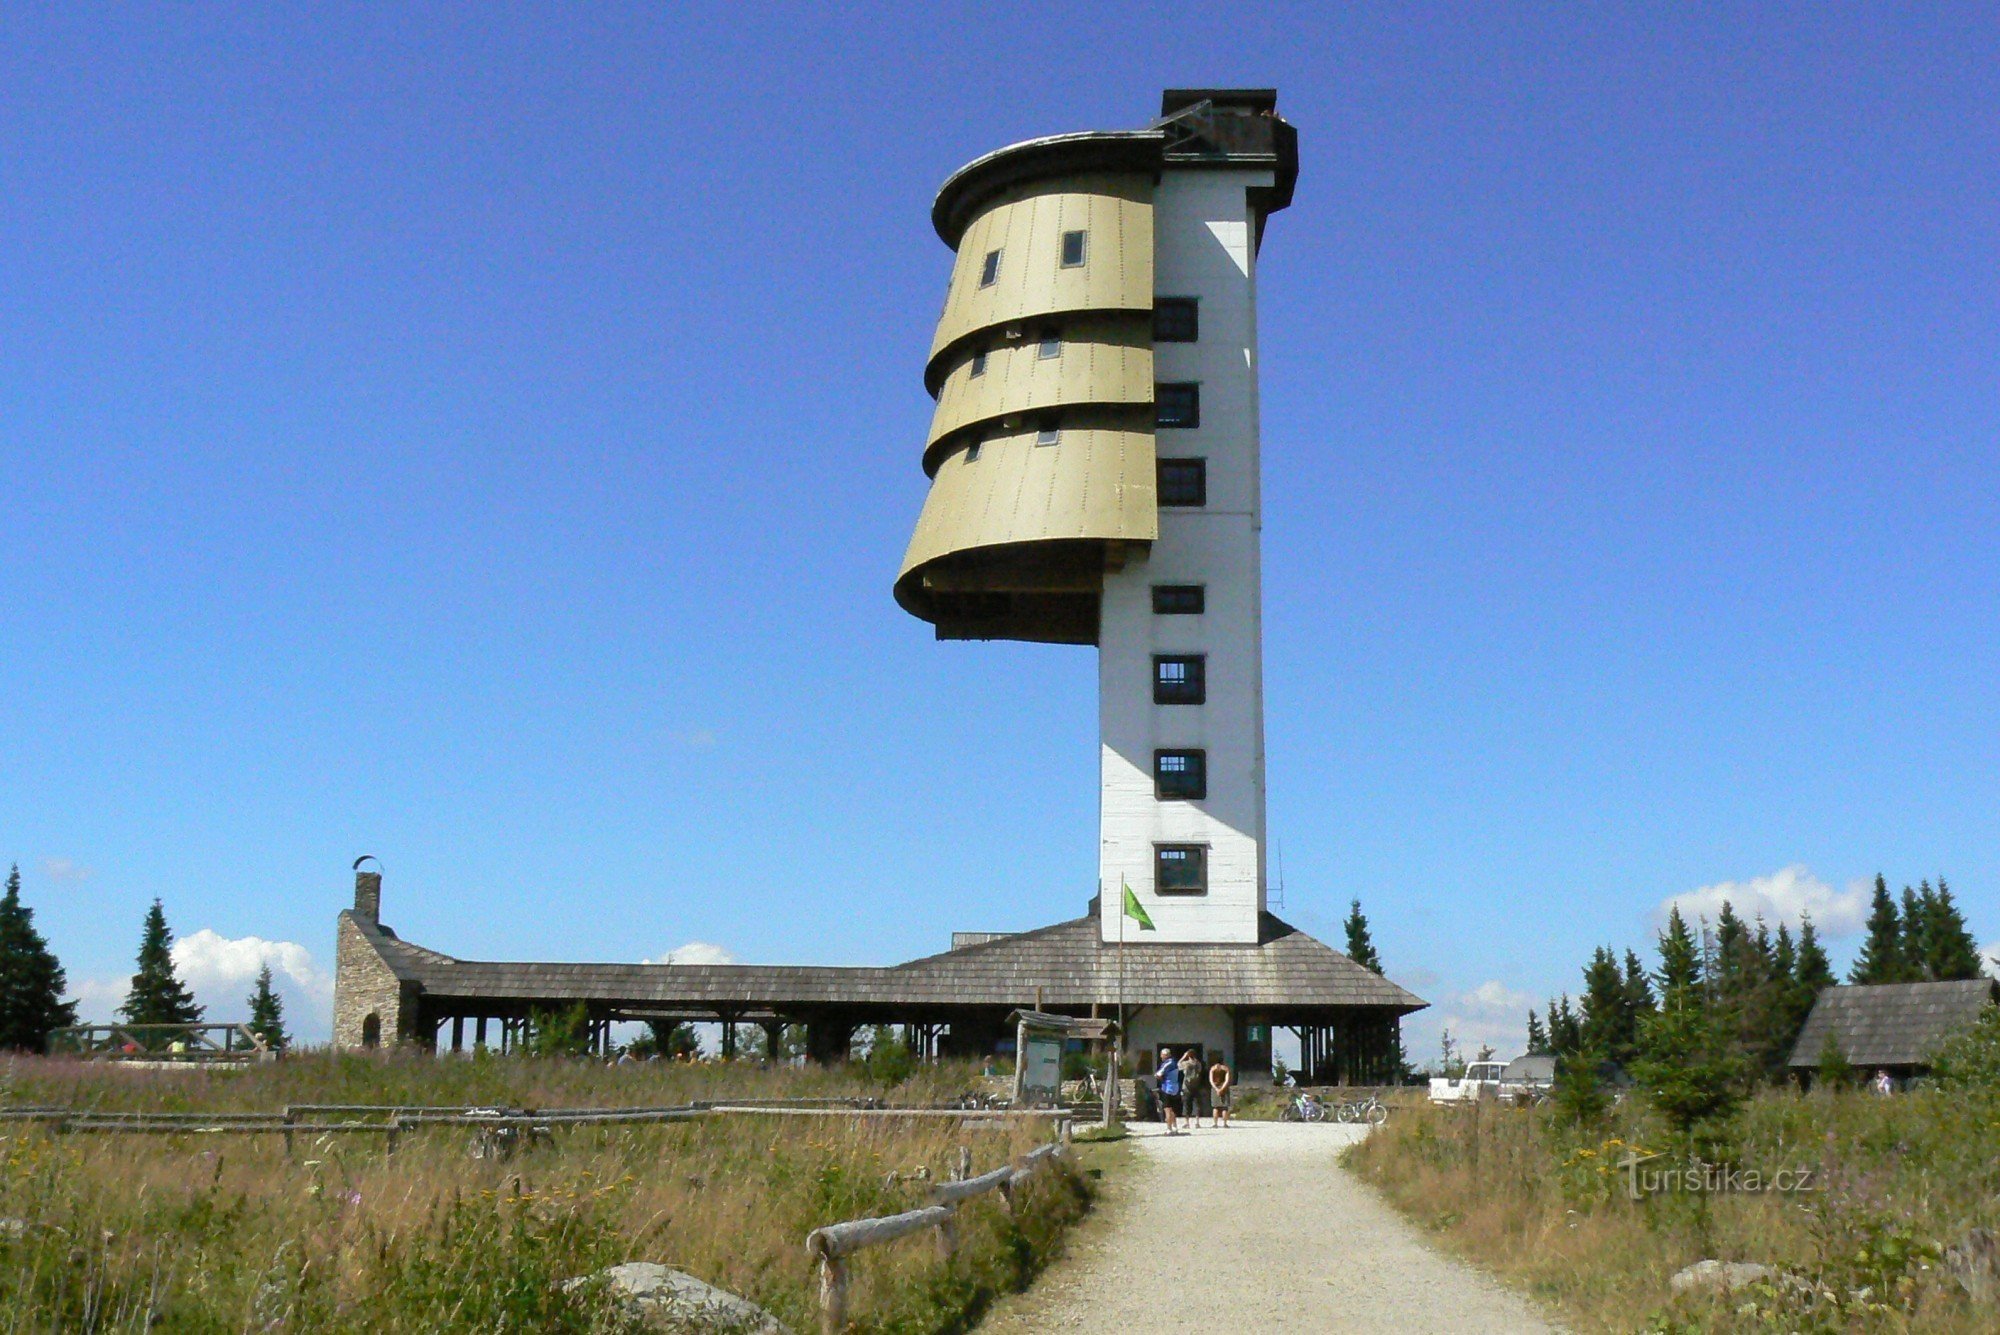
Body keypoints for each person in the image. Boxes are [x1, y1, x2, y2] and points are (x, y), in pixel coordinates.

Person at [1154, 1049, 1184, 1134]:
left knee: (1167, 1109)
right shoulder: (1175, 1063)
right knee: (1173, 1109)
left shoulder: (1167, 1064)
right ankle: (1175, 1127)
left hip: (1167, 1088)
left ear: (1166, 1055)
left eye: (1162, 1055)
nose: (1161, 1056)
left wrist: (1160, 1077)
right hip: (1176, 1088)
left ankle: (1169, 1129)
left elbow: (1158, 1074)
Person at [1177, 1050, 1203, 1125]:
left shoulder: (1186, 1063)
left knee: (1186, 1104)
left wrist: (1183, 1056)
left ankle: (1187, 1123)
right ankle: (1197, 1122)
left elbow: (1178, 1065)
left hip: (1186, 1086)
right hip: (1196, 1085)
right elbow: (1200, 1070)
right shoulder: (1197, 1063)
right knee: (1197, 1104)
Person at [1209, 1057, 1232, 1128]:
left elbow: (1211, 1080)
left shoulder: (1212, 1069)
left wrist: (1216, 1089)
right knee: (1224, 1107)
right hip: (1224, 1088)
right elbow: (1227, 1080)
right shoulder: (1225, 1069)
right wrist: (1222, 1088)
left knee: (1215, 1107)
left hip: (1215, 1088)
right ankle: (1225, 1124)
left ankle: (1215, 1124)